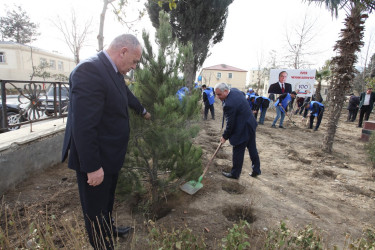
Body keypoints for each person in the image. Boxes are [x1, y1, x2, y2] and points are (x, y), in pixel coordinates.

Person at [61, 34, 151, 249]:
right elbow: (83, 126)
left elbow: (125, 94)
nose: (134, 66)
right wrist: (92, 167)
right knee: (94, 208)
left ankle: (108, 229)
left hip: (110, 155)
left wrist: (143, 111)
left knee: (106, 201)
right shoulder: (89, 71)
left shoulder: (113, 70)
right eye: (134, 61)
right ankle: (101, 244)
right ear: (123, 52)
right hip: (96, 158)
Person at [214, 82, 261, 179]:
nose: (217, 97)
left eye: (219, 94)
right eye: (216, 94)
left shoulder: (229, 104)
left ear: (226, 91)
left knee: (238, 151)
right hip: (250, 123)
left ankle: (235, 174)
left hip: (242, 129)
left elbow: (230, 124)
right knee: (252, 148)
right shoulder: (235, 91)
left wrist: (224, 136)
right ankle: (256, 170)